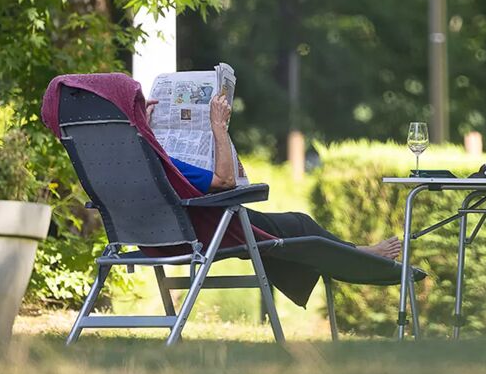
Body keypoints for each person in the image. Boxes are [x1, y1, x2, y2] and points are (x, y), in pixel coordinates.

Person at [146, 91, 402, 306]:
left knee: (287, 236)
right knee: (299, 227)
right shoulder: (160, 161)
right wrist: (219, 129)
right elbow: (224, 181)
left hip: (154, 238)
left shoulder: (127, 160)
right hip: (207, 231)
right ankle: (359, 256)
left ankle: (354, 251)